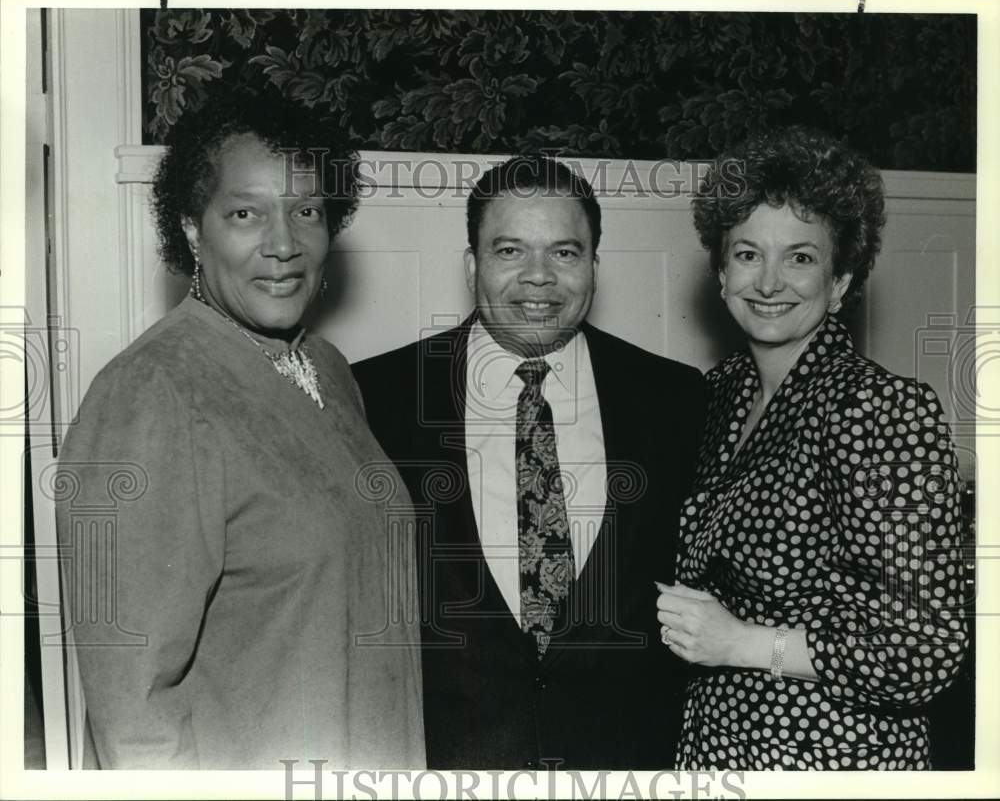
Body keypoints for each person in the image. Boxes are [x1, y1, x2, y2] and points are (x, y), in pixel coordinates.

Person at [54, 92, 424, 769]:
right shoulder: (151, 391)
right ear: (193, 228)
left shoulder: (327, 368)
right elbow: (131, 706)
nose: (283, 245)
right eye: (245, 214)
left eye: (306, 211)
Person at [351, 155, 706, 768]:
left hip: (626, 766)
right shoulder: (379, 396)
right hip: (448, 766)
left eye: (565, 253)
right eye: (510, 251)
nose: (538, 278)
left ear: (594, 266)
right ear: (472, 265)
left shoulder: (674, 398)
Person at [656, 127, 968, 770]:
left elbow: (925, 647)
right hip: (718, 750)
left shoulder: (880, 409)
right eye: (747, 254)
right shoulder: (717, 396)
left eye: (800, 257)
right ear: (720, 272)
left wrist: (741, 643)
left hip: (832, 755)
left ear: (840, 281)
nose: (769, 282)